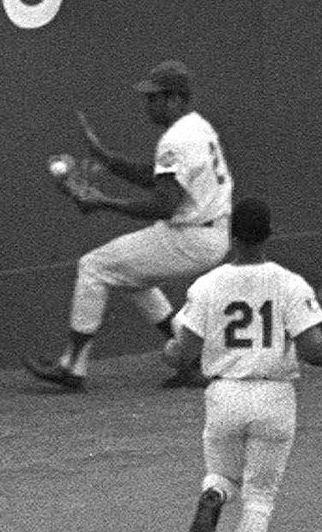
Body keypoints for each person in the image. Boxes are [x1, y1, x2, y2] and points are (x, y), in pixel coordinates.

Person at [24, 60, 233, 392]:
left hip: (192, 236)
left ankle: (71, 366)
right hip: (206, 231)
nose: (148, 104)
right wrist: (108, 160)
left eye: (156, 97)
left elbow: (164, 203)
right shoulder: (197, 127)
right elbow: (160, 178)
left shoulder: (177, 140)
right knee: (128, 275)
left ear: (176, 99)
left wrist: (103, 202)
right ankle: (191, 358)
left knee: (93, 266)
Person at [164, 197, 322, 532]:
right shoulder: (289, 283)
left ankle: (214, 494)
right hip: (275, 397)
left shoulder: (206, 286)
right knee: (260, 495)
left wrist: (169, 351)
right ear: (269, 235)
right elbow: (314, 351)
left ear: (232, 236)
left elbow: (182, 352)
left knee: (221, 475)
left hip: (225, 395)